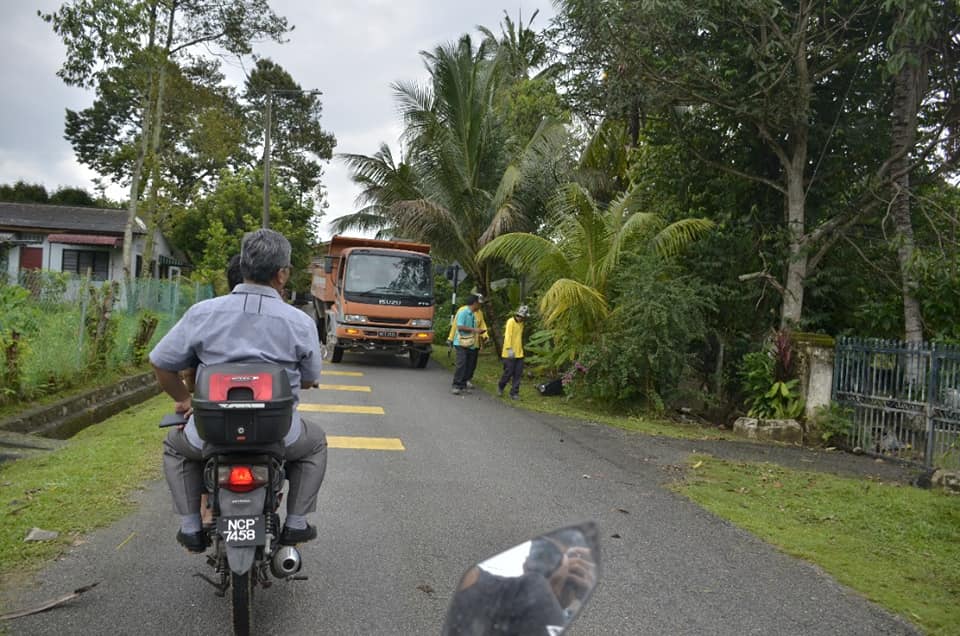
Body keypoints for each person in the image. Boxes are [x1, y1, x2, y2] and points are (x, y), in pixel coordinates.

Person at [149, 229, 328, 553]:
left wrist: (184, 400)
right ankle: (296, 523)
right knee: (314, 444)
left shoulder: (203, 313)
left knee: (176, 448)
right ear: (282, 273)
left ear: (243, 265)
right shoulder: (299, 322)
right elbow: (309, 376)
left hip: (209, 432)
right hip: (278, 434)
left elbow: (161, 362)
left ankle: (191, 525)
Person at [451, 294, 486, 395]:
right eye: (479, 304)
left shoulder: (474, 314)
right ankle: (456, 385)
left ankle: (463, 385)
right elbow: (460, 327)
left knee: (469, 365)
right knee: (461, 364)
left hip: (470, 343)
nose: (480, 306)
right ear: (475, 303)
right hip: (461, 342)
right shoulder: (463, 312)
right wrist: (474, 330)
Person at [497, 305, 529, 400]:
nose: (522, 319)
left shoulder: (521, 324)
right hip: (509, 353)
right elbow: (508, 336)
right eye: (521, 317)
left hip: (519, 353)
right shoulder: (511, 322)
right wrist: (509, 349)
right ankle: (501, 386)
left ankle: (514, 393)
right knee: (508, 372)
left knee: (518, 374)